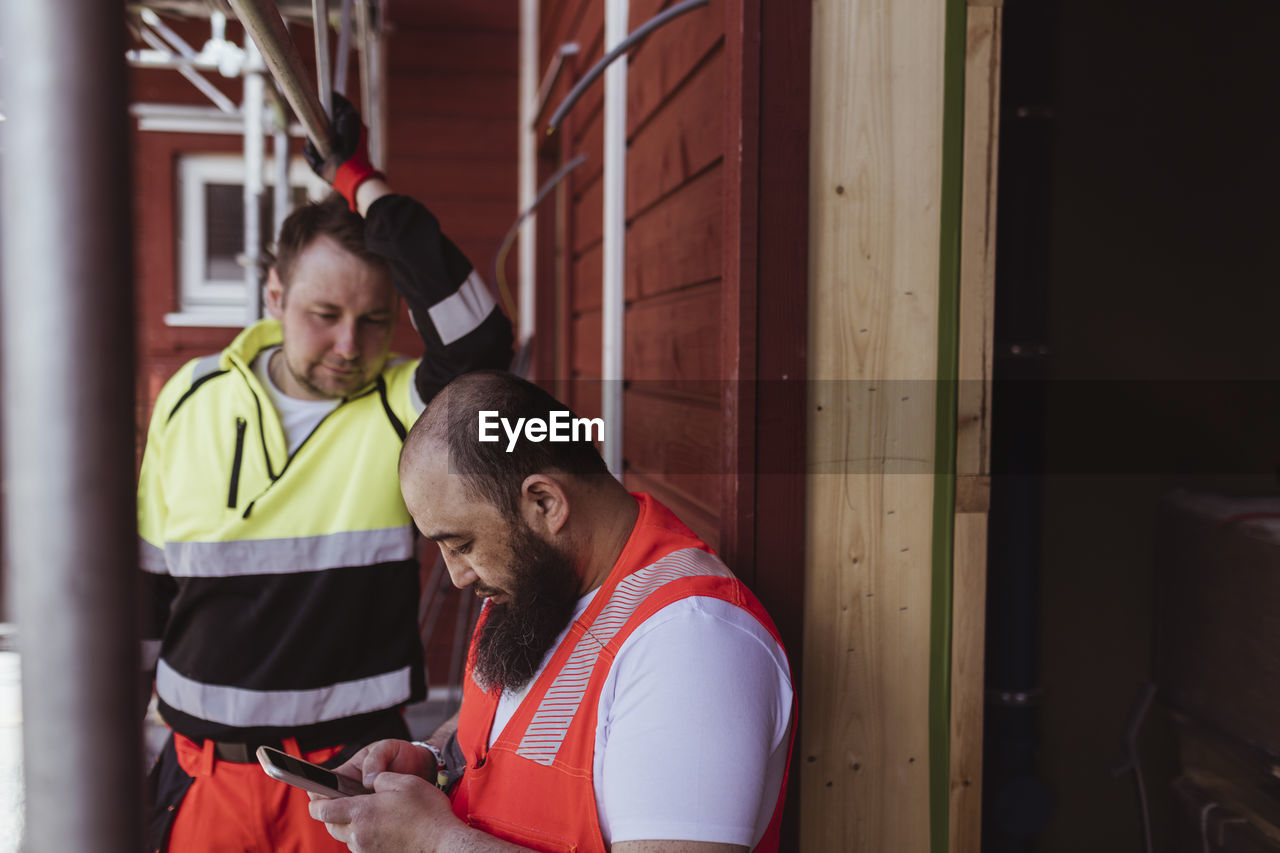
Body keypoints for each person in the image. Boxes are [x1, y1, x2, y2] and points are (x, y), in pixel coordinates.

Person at [138, 93, 513, 851]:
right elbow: (147, 580)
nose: (350, 342)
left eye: (375, 318)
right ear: (274, 298)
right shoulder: (191, 392)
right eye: (324, 312)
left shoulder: (402, 403)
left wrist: (359, 180)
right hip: (203, 774)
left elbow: (478, 337)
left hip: (349, 782)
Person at [309, 371, 795, 853]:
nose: (457, 575)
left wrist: (434, 843)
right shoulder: (538, 582)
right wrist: (432, 761)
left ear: (545, 502)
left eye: (462, 544)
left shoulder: (692, 647)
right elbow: (493, 728)